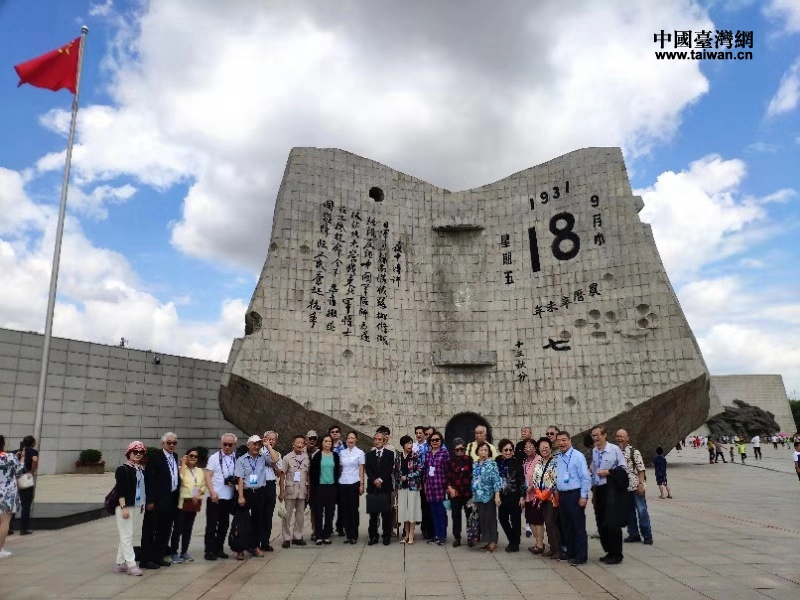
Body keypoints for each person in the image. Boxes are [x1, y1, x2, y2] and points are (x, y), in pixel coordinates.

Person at [141, 432, 180, 569]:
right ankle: (146, 559)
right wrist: (149, 501)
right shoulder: (156, 458)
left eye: (174, 443)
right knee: (150, 530)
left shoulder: (174, 457)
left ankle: (158, 557)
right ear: (163, 443)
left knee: (165, 530)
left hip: (170, 499)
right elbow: (149, 480)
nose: (171, 445)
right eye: (169, 442)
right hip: (156, 501)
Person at [590, 426, 628, 565]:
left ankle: (616, 553)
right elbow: (594, 467)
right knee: (601, 522)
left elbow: (623, 468)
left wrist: (609, 472)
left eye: (597, 435)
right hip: (598, 489)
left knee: (612, 521)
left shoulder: (614, 450)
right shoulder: (594, 451)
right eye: (593, 436)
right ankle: (608, 551)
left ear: (605, 435)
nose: (595, 438)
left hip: (611, 488)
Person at [233, 435, 271, 560]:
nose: (256, 447)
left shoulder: (262, 458)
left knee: (258, 521)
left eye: (258, 444)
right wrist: (240, 496)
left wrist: (268, 446)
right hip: (247, 491)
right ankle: (240, 549)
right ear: (248, 445)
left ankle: (255, 546)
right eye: (254, 444)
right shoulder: (242, 460)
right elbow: (240, 478)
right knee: (242, 522)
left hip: (259, 491)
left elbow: (275, 460)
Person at [555, 431, 590, 565]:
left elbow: (585, 477)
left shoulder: (577, 456)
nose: (561, 443)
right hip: (563, 495)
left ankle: (581, 555)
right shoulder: (558, 457)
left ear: (570, 440)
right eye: (559, 440)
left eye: (564, 440)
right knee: (566, 526)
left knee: (578, 526)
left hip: (575, 495)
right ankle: (570, 552)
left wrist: (583, 496)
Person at [112, 441, 146, 575]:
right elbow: (119, 490)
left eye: (141, 452)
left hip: (137, 505)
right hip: (125, 506)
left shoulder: (140, 469)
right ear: (129, 453)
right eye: (135, 452)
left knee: (128, 535)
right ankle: (131, 564)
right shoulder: (123, 469)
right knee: (126, 536)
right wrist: (123, 507)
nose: (138, 454)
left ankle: (120, 563)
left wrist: (142, 503)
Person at [204, 433, 238, 561]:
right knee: (212, 526)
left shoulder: (235, 457)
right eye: (225, 444)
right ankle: (209, 551)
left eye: (230, 445)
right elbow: (208, 476)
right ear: (221, 444)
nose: (227, 447)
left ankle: (219, 549)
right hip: (216, 497)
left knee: (224, 525)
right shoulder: (214, 458)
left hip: (229, 497)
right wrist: (212, 492)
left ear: (234, 445)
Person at [170, 448, 208, 563]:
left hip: (193, 503)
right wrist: (182, 464)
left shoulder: (200, 471)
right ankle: (174, 552)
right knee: (178, 529)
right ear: (186, 456)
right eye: (190, 456)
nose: (193, 458)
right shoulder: (180, 469)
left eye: (195, 457)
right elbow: (178, 481)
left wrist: (198, 494)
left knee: (188, 529)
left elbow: (203, 486)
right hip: (182, 503)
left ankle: (184, 551)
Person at [616, 429, 652, 545]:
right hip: (623, 488)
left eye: (622, 436)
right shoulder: (615, 452)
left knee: (642, 511)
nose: (620, 438)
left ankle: (647, 535)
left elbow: (641, 469)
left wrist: (641, 484)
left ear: (627, 438)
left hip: (635, 486)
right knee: (629, 512)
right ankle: (633, 534)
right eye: (618, 436)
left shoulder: (634, 452)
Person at [531, 437, 561, 560]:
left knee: (550, 522)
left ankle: (558, 550)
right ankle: (552, 548)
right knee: (548, 524)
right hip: (541, 497)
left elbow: (555, 480)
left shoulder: (555, 462)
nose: (544, 449)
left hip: (552, 498)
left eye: (546, 447)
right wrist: (538, 492)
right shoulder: (539, 463)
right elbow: (535, 479)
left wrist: (545, 494)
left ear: (550, 448)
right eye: (541, 448)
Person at [365, 431, 395, 546]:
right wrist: (374, 480)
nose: (377, 441)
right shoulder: (369, 455)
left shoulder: (389, 454)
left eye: (380, 440)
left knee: (386, 514)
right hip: (373, 488)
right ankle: (373, 536)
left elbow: (389, 469)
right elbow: (368, 470)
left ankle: (386, 536)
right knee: (373, 514)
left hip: (385, 487)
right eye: (375, 439)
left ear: (384, 441)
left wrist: (381, 480)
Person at [471, 441, 501, 552]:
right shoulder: (475, 464)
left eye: (485, 450)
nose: (483, 452)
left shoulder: (492, 464)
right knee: (482, 519)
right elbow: (473, 480)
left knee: (491, 518)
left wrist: (497, 495)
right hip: (478, 496)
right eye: (481, 450)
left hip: (489, 495)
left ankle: (493, 541)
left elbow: (496, 480)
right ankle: (487, 541)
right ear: (477, 451)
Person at [281, 434, 310, 548]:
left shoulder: (306, 457)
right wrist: (282, 491)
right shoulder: (287, 458)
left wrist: (309, 489)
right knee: (287, 515)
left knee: (300, 515)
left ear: (304, 445)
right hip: (290, 489)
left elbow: (308, 474)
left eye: (301, 443)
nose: (299, 444)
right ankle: (286, 538)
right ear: (293, 444)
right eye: (297, 442)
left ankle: (298, 536)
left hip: (302, 489)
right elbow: (282, 475)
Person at [495, 438, 525, 552]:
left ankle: (515, 543)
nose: (508, 452)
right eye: (505, 450)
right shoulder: (497, 461)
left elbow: (522, 480)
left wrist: (522, 496)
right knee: (502, 518)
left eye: (510, 450)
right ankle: (512, 538)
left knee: (515, 520)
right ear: (501, 451)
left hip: (515, 496)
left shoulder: (516, 462)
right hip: (502, 496)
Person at [310, 434, 339, 545]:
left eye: (329, 442)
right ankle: (318, 535)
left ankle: (326, 535)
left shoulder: (335, 456)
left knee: (330, 512)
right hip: (319, 487)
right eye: (326, 441)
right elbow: (313, 473)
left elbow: (337, 472)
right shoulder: (317, 456)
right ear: (322, 443)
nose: (328, 443)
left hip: (331, 487)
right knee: (318, 512)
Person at [423, 430, 450, 545]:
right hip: (430, 486)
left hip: (440, 486)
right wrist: (424, 485)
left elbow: (448, 470)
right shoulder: (428, 454)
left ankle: (442, 535)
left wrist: (448, 486)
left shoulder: (444, 453)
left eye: (437, 440)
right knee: (433, 512)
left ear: (440, 441)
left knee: (441, 512)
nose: (434, 442)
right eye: (432, 440)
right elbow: (425, 470)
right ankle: (436, 534)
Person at [395, 434, 423, 544]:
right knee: (404, 511)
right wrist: (398, 481)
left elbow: (419, 470)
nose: (410, 445)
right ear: (403, 445)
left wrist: (407, 477)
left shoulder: (416, 456)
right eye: (407, 443)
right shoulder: (399, 456)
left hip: (413, 486)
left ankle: (412, 534)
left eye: (411, 443)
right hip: (402, 486)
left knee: (412, 510)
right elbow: (396, 471)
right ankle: (406, 534)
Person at [338, 432, 365, 544]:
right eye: (349, 438)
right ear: (346, 439)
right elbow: (340, 468)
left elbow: (361, 469)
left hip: (354, 482)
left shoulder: (360, 453)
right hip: (343, 482)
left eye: (353, 438)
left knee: (353, 509)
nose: (350, 440)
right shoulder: (342, 452)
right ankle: (347, 534)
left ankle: (354, 534)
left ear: (356, 440)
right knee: (345, 509)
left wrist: (362, 484)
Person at [445, 437, 472, 547]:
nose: (460, 451)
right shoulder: (450, 462)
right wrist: (450, 488)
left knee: (469, 515)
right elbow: (446, 477)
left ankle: (471, 536)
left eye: (462, 449)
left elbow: (473, 475)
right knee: (456, 516)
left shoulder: (469, 460)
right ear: (454, 450)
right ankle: (457, 537)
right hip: (455, 493)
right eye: (457, 449)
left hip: (467, 493)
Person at [0, 435, 24, 559]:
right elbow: (20, 472)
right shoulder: (10, 457)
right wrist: (22, 458)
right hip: (7, 494)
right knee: (4, 522)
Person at [259, 430, 283, 551]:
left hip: (270, 485)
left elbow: (279, 473)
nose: (271, 441)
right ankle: (255, 541)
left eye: (273, 439)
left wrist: (275, 467)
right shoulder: (258, 451)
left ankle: (265, 541)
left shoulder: (276, 453)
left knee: (268, 515)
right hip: (259, 485)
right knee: (258, 514)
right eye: (269, 439)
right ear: (264, 438)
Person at [522, 439, 544, 552]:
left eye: (531, 446)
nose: (528, 448)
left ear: (535, 448)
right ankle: (538, 542)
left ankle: (540, 545)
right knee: (530, 520)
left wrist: (531, 487)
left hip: (536, 495)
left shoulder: (538, 459)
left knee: (538, 520)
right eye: (526, 447)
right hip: (527, 495)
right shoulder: (525, 461)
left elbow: (539, 477)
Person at [14, 436, 37, 536]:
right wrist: (31, 472)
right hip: (26, 479)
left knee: (14, 503)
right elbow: (35, 460)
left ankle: (9, 527)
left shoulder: (17, 451)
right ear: (33, 443)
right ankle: (24, 528)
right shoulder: (33, 451)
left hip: (15, 480)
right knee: (26, 505)